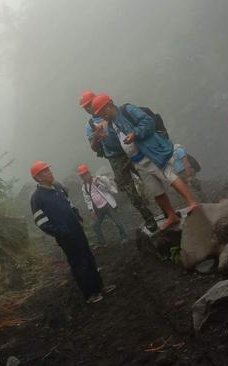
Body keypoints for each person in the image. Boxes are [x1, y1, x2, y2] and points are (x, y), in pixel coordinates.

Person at [91, 93, 199, 230]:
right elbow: (116, 146)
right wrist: (103, 137)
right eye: (99, 113)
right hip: (138, 161)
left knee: (169, 177)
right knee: (156, 190)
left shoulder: (127, 110)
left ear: (110, 104)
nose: (103, 114)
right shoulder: (112, 126)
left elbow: (148, 121)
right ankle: (172, 215)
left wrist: (135, 134)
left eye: (103, 110)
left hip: (150, 153)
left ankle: (192, 202)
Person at [29, 161, 115, 303]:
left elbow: (69, 203)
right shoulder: (37, 198)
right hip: (65, 237)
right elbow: (41, 222)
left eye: (48, 169)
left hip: (76, 230)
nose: (49, 172)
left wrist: (77, 216)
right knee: (78, 262)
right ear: (37, 178)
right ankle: (90, 294)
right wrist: (60, 232)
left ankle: (100, 287)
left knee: (88, 257)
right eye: (45, 171)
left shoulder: (57, 187)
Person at [80, 91, 158, 232]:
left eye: (89, 104)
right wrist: (96, 137)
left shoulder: (109, 111)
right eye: (85, 107)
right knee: (129, 190)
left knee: (149, 177)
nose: (88, 108)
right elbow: (93, 147)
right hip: (115, 159)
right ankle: (148, 218)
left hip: (132, 150)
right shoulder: (89, 125)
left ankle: (165, 209)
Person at [76, 163, 128, 247]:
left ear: (89, 173)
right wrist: (91, 210)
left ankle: (124, 236)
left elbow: (107, 188)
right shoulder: (84, 187)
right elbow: (88, 199)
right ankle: (102, 242)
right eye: (82, 176)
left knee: (117, 221)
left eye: (85, 174)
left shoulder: (97, 180)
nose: (84, 177)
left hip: (107, 205)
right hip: (98, 209)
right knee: (96, 226)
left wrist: (99, 184)